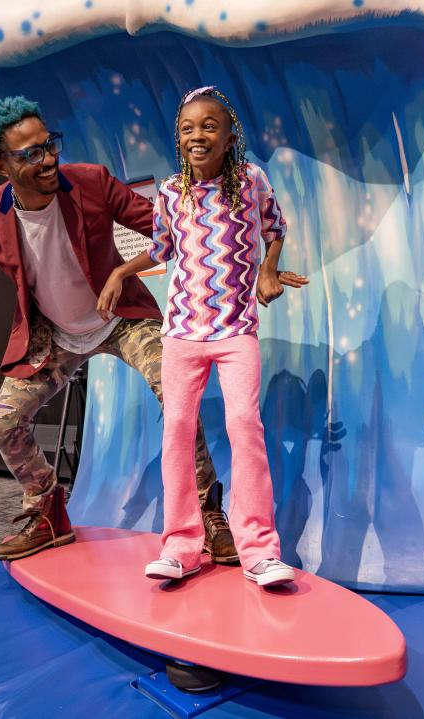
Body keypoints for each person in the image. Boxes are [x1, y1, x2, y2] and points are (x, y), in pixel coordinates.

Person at [0, 96, 236, 563]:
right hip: (53, 336)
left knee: (177, 393)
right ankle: (48, 513)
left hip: (121, 319)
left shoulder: (91, 183)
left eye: (49, 145)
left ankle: (207, 511)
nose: (48, 159)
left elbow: (169, 228)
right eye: (30, 154)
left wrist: (243, 233)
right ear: (2, 166)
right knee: (4, 421)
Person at [114, 86, 308, 589]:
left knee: (245, 423)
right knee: (177, 428)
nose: (197, 135)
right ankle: (181, 546)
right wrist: (118, 273)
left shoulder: (250, 182)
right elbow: (160, 249)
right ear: (178, 138)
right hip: (182, 330)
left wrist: (268, 271)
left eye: (208, 126)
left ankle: (260, 551)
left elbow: (276, 228)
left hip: (235, 328)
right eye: (187, 128)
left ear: (229, 135)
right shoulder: (169, 192)